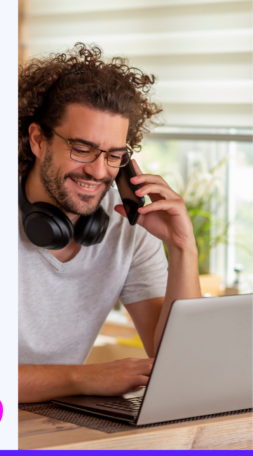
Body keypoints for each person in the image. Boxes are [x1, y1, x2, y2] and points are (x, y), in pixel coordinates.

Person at [18, 44, 201, 403]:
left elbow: (183, 366)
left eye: (114, 155)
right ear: (38, 140)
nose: (99, 171)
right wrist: (82, 378)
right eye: (82, 148)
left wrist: (182, 247)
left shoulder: (129, 223)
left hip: (55, 430)